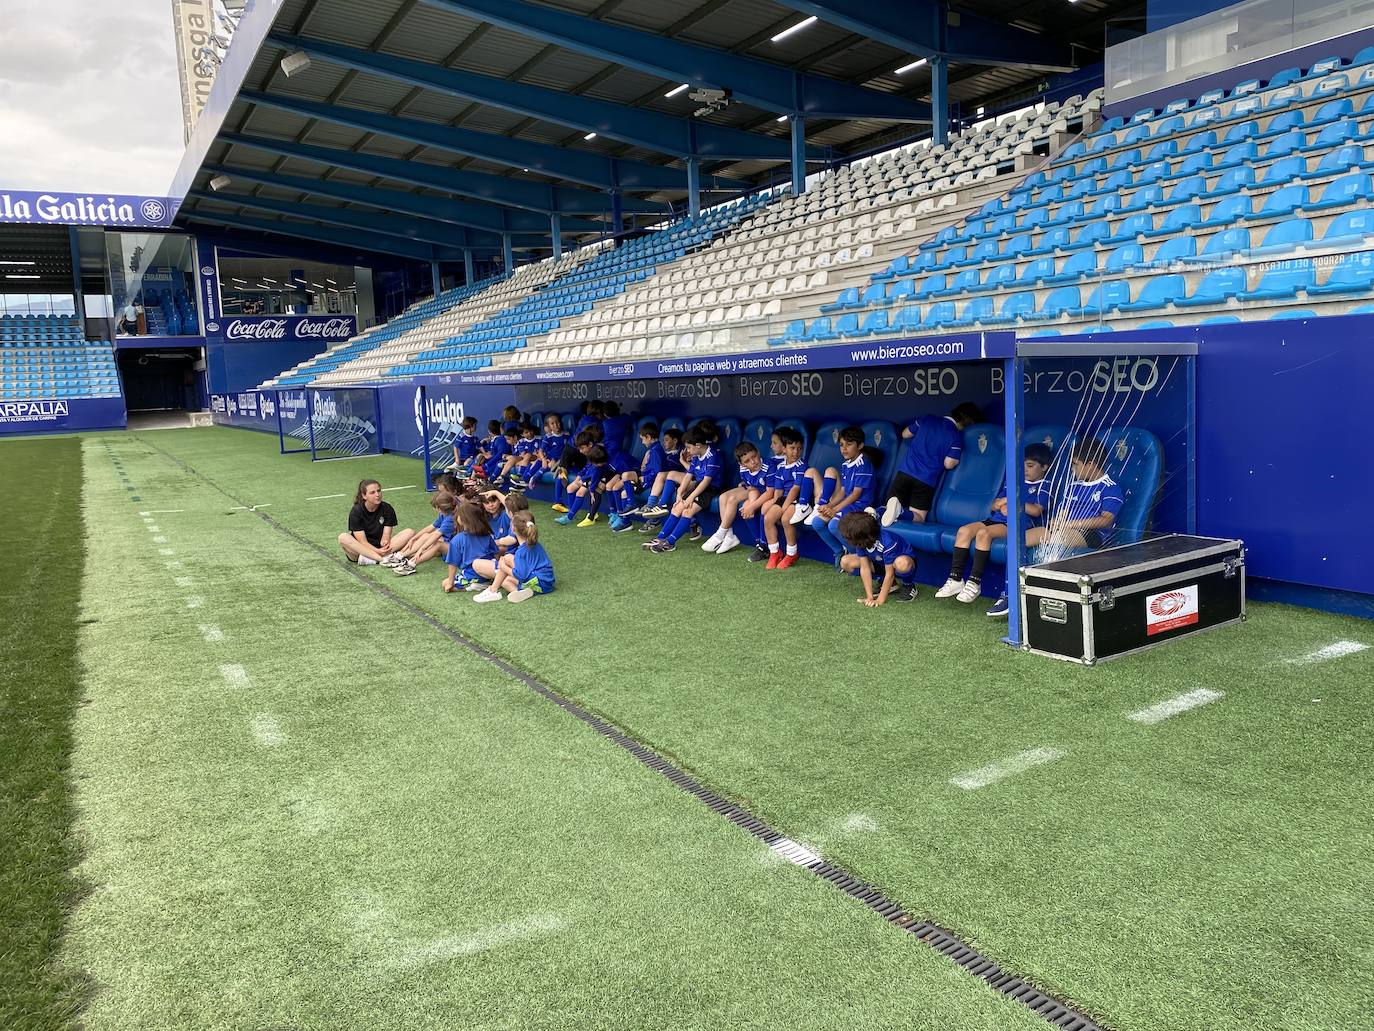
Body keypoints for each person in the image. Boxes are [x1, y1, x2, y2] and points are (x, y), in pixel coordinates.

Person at [986, 439, 1124, 617]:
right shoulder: (1072, 486)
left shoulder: (1110, 488)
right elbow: (1062, 513)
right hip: (1062, 529)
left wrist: (1068, 524)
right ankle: (1009, 594)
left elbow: (1105, 520)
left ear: (1091, 464)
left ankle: (1045, 596)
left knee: (1056, 541)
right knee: (1017, 541)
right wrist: (1057, 523)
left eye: (1076, 465)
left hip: (1092, 535)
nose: (1073, 470)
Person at [936, 443, 1052, 604]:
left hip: (1016, 525)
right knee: (963, 531)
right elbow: (993, 505)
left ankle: (974, 582)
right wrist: (1001, 503)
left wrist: (1012, 503)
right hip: (995, 520)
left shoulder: (1044, 485)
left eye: (1030, 465)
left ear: (1044, 467)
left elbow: (1036, 510)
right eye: (1023, 465)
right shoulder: (1013, 482)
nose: (1025, 469)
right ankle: (956, 578)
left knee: (984, 534)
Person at [881, 402, 983, 526]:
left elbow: (905, 434)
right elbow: (949, 464)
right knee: (918, 518)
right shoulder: (955, 435)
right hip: (925, 480)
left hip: (904, 472)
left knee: (888, 512)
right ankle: (900, 511)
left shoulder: (927, 419)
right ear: (968, 422)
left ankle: (874, 513)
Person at [792, 426, 877, 566]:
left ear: (860, 445)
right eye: (841, 445)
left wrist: (835, 509)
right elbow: (843, 491)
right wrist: (828, 506)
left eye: (849, 444)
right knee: (817, 522)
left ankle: (857, 556)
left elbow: (856, 494)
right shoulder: (846, 464)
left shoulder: (864, 464)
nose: (844, 448)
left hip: (861, 507)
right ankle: (839, 552)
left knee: (834, 525)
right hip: (848, 505)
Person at [643, 428, 720, 553]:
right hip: (698, 486)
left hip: (711, 488)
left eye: (689, 448)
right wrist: (679, 494)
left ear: (698, 446)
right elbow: (689, 476)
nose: (688, 451)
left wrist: (689, 498)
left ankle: (670, 543)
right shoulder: (696, 456)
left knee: (688, 511)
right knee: (677, 507)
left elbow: (706, 482)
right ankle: (660, 538)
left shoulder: (713, 456)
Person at [703, 441, 774, 556]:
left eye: (754, 456)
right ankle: (729, 536)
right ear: (741, 464)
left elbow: (769, 492)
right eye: (747, 461)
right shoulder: (744, 469)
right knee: (723, 497)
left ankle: (721, 533)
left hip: (765, 491)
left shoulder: (768, 466)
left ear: (758, 452)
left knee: (737, 502)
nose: (753, 462)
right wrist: (749, 496)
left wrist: (751, 505)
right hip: (754, 490)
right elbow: (751, 488)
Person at [836, 510, 920, 605]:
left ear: (861, 535)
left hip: (900, 565)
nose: (846, 538)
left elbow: (890, 574)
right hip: (880, 562)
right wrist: (870, 597)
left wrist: (880, 600)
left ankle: (908, 585)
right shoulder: (862, 540)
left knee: (902, 563)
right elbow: (865, 567)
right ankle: (890, 584)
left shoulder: (887, 542)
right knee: (845, 561)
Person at [474, 512, 555, 604]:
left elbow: (521, 575)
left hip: (536, 582)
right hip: (547, 584)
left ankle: (493, 591)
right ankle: (519, 593)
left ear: (512, 529)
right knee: (505, 580)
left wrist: (503, 567)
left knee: (506, 559)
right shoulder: (535, 544)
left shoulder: (521, 552)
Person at [762, 427, 808, 569]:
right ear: (784, 449)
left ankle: (791, 553)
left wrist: (783, 508)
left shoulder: (801, 465)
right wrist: (775, 505)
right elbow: (778, 491)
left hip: (799, 499)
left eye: (799, 449)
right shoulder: (781, 467)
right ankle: (775, 553)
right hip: (784, 498)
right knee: (768, 518)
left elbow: (796, 489)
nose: (795, 452)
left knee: (785, 519)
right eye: (792, 448)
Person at [338, 480, 414, 564]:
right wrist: (377, 551)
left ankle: (373, 559)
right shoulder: (356, 511)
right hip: (361, 551)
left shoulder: (387, 508)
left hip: (380, 548)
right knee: (343, 537)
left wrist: (385, 543)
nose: (377, 494)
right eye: (372, 492)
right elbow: (362, 542)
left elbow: (386, 535)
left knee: (409, 532)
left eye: (378, 491)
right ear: (364, 496)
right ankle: (382, 559)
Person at [390, 491, 458, 576]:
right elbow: (430, 527)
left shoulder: (450, 519)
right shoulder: (445, 513)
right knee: (426, 536)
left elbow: (436, 536)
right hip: (451, 542)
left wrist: (421, 549)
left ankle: (411, 564)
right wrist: (414, 538)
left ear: (439, 508)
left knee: (437, 545)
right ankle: (400, 556)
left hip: (458, 549)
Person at [442, 501, 498, 592]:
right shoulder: (487, 535)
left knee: (445, 583)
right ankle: (485, 582)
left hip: (472, 574)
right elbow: (495, 554)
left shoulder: (457, 539)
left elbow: (453, 563)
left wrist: (450, 582)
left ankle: (474, 585)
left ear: (463, 519)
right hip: (489, 572)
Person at [555, 443, 611, 526]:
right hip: (587, 477)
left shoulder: (598, 459)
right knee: (570, 488)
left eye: (582, 448)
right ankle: (572, 513)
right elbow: (586, 468)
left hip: (597, 478)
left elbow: (595, 475)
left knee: (580, 492)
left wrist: (583, 480)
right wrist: (579, 477)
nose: (581, 451)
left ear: (590, 445)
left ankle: (569, 517)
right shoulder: (591, 456)